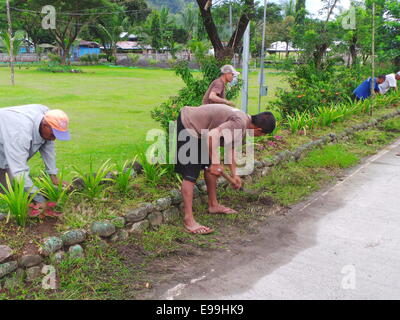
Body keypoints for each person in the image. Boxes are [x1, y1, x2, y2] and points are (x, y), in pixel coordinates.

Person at [175, 104, 276, 235]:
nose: (258, 137)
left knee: (209, 167)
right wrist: (216, 163)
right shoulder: (240, 122)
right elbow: (212, 135)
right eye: (261, 135)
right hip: (190, 125)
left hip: (203, 132)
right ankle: (189, 220)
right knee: (191, 175)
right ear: (259, 129)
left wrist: (235, 175)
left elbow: (231, 150)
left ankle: (213, 205)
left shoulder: (243, 125)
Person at [0, 104, 70, 204]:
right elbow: (19, 170)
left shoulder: (47, 116)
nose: (54, 138)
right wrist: (38, 198)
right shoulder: (20, 134)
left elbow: (48, 147)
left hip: (6, 137)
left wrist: (53, 176)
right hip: (9, 135)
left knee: (5, 188)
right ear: (45, 125)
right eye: (53, 134)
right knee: (10, 180)